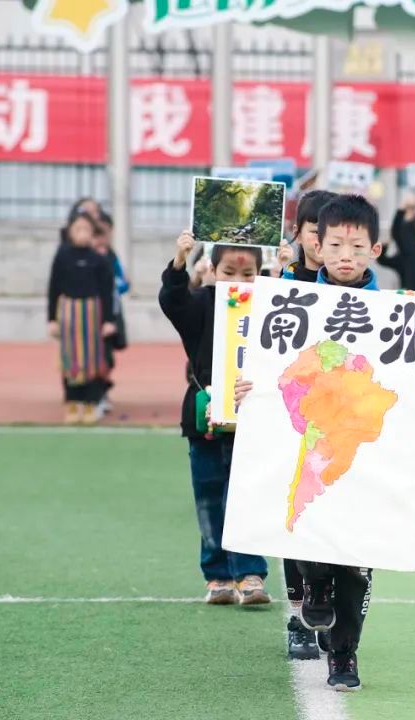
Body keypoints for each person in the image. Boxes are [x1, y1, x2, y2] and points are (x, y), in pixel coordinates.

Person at [236, 195, 415, 693]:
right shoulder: (289, 303)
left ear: (376, 249)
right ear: (316, 244)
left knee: (358, 560)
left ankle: (344, 653)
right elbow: (264, 368)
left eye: (356, 246)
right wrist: (246, 390)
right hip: (313, 439)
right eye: (334, 245)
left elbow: (412, 385)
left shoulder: (398, 312)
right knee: (305, 513)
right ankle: (312, 585)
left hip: (363, 449)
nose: (345, 255)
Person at [159, 232, 272, 608]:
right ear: (212, 269)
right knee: (208, 495)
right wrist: (180, 260)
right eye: (229, 272)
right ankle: (218, 575)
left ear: (260, 274)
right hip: (205, 414)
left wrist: (287, 268)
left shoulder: (270, 308)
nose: (238, 281)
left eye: (248, 274)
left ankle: (250, 573)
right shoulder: (202, 303)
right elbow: (172, 301)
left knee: (246, 494)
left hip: (253, 416)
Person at [274, 188, 341, 662]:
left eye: (331, 236)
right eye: (316, 234)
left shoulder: (356, 288)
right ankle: (299, 617)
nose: (323, 245)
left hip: (338, 421)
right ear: (298, 235)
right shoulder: (281, 287)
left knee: (332, 515)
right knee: (292, 518)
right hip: (294, 419)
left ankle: (328, 609)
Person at [47, 207, 115, 425]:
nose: (82, 233)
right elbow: (53, 288)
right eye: (78, 229)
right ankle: (72, 403)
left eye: (86, 229)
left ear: (93, 233)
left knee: (92, 360)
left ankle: (90, 403)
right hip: (69, 312)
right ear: (70, 231)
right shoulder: (62, 256)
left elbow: (107, 292)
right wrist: (51, 319)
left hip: (92, 313)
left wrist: (109, 320)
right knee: (70, 359)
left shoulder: (99, 260)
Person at [91, 212, 128, 416]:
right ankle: (92, 397)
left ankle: (102, 393)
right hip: (89, 316)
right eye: (96, 234)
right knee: (91, 358)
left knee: (107, 358)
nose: (101, 239)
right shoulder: (85, 257)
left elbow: (123, 284)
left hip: (109, 314)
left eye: (104, 233)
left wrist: (116, 283)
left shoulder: (111, 257)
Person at [279, 189, 340, 283]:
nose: (325, 239)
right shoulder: (286, 280)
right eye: (316, 232)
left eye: (334, 233)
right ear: (298, 234)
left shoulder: (356, 285)